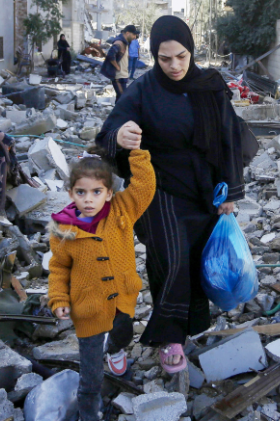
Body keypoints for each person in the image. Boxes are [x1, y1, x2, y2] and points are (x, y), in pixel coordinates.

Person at [94, 16, 247, 374]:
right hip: (158, 187)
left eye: (181, 56)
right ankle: (170, 337)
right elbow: (109, 130)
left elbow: (230, 138)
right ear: (153, 56)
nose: (175, 66)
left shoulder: (209, 85)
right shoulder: (143, 89)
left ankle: (189, 325)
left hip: (204, 189)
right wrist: (121, 136)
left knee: (194, 257)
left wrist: (230, 190)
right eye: (165, 59)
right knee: (171, 257)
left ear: (191, 51)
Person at [48, 147, 156, 421]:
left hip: (122, 298)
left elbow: (145, 187)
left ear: (109, 193)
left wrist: (137, 152)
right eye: (81, 192)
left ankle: (117, 351)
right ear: (71, 193)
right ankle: (89, 412)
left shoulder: (122, 210)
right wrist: (59, 299)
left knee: (122, 332)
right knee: (90, 373)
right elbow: (59, 268)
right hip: (89, 309)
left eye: (97, 192)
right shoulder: (63, 230)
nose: (88, 199)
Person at [102, 25, 139, 96]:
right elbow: (110, 55)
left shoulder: (125, 42)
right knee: (122, 99)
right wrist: (117, 67)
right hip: (118, 77)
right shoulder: (119, 42)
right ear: (128, 33)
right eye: (133, 34)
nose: (135, 37)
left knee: (120, 99)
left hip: (122, 76)